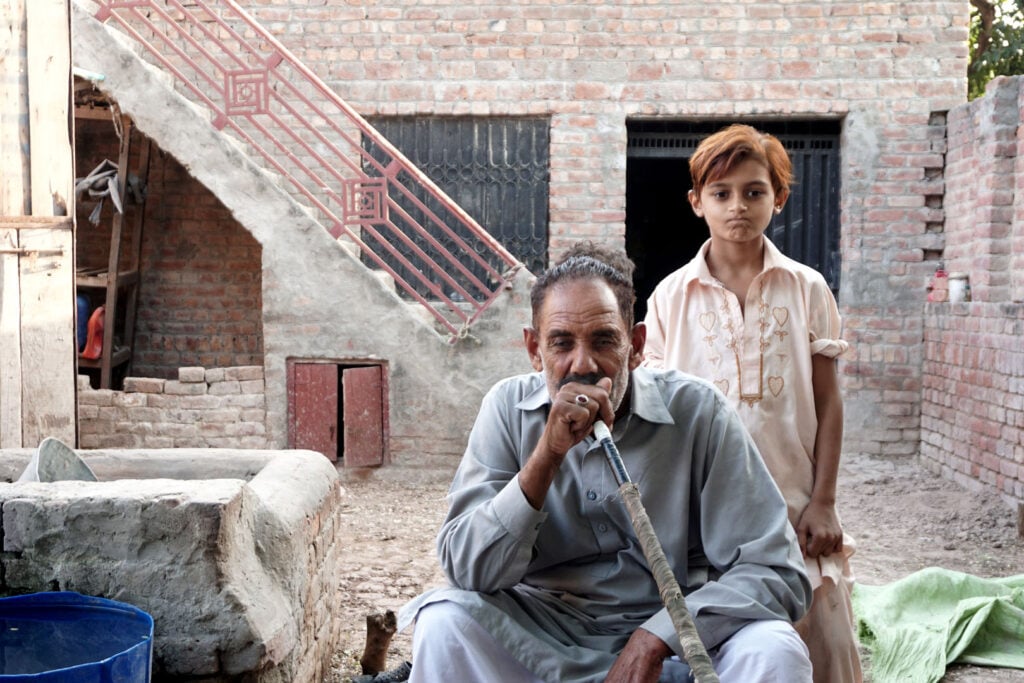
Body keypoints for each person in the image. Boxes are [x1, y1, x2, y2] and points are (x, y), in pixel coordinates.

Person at [397, 242, 813, 683]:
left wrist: (658, 636)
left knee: (775, 649)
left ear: (635, 345)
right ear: (534, 349)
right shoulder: (506, 408)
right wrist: (547, 455)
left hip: (677, 639)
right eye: (561, 343)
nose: (583, 364)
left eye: (603, 341)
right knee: (444, 624)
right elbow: (467, 569)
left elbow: (777, 571)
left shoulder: (697, 411)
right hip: (545, 634)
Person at [643, 124, 863, 683]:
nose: (737, 206)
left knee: (820, 644)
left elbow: (828, 401)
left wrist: (825, 501)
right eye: (721, 194)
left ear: (778, 198)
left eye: (754, 191)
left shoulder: (808, 288)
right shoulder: (671, 297)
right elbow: (658, 415)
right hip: (701, 513)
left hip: (794, 506)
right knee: (719, 642)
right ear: (697, 203)